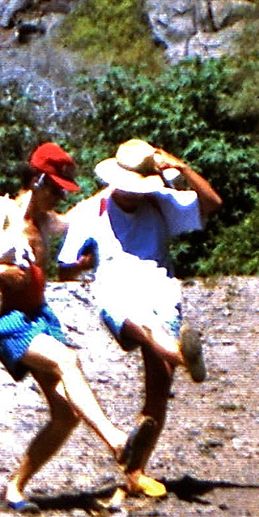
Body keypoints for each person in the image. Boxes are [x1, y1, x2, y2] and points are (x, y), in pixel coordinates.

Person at [0, 142, 145, 511]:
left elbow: (79, 215)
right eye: (55, 189)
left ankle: (14, 490)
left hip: (39, 316)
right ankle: (116, 441)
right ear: (36, 181)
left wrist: (121, 184)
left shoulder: (45, 221)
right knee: (67, 360)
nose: (57, 198)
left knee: (64, 416)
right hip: (7, 320)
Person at [57, 139, 222, 498]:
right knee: (147, 330)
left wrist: (181, 167)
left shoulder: (161, 202)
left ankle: (135, 472)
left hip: (161, 292)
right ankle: (182, 354)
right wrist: (86, 263)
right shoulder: (91, 212)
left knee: (158, 391)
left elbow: (212, 204)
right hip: (118, 294)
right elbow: (65, 267)